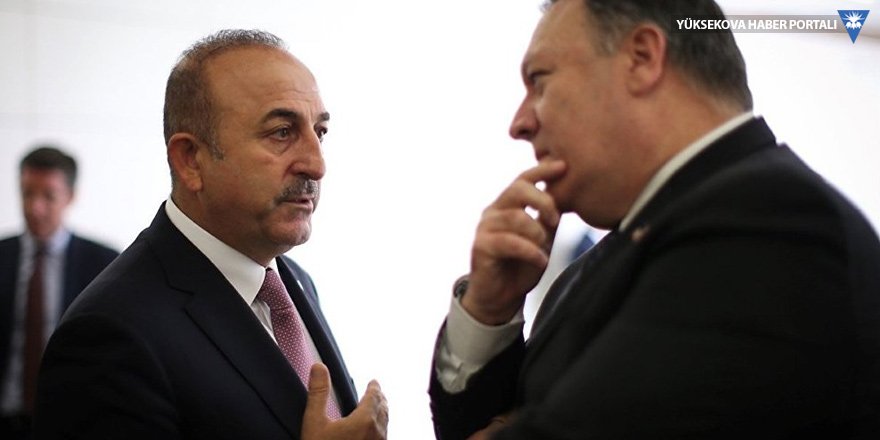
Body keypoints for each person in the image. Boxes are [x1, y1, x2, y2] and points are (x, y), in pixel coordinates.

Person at [429, 0, 880, 438]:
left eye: (539, 80)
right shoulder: (599, 264)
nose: (519, 123)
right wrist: (490, 311)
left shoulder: (775, 221)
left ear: (643, 57)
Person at [32, 30, 387, 440]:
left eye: (319, 132)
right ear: (191, 160)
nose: (316, 164)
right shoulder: (108, 335)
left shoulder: (294, 283)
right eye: (282, 132)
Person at [0, 146, 118, 439]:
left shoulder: (105, 265)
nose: (35, 207)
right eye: (27, 193)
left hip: (73, 422)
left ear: (70, 196)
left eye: (48, 196)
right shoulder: (2, 255)